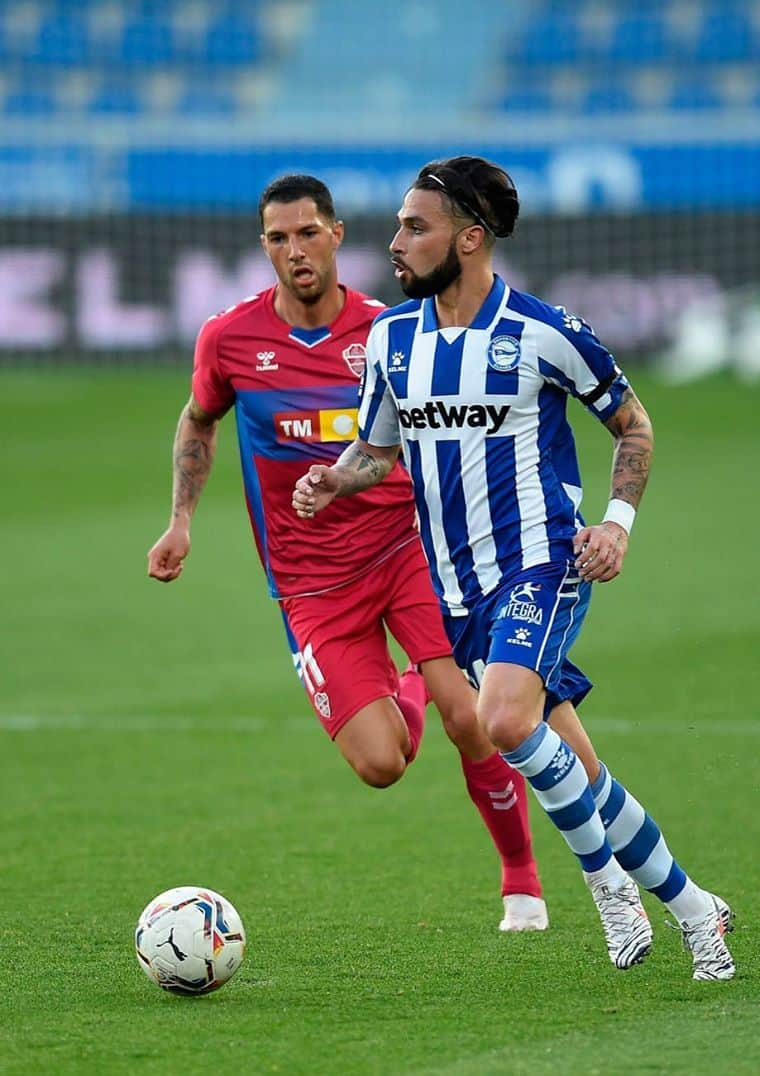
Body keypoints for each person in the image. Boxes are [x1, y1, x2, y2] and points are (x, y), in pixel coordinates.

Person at [292, 157, 735, 981]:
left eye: (414, 228)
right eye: (397, 224)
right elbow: (378, 449)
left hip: (544, 563)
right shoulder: (391, 340)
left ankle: (605, 885)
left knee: (500, 721)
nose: (395, 243)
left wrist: (618, 524)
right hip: (457, 588)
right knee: (584, 775)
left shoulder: (543, 331)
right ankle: (694, 906)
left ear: (468, 238)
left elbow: (633, 427)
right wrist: (334, 477)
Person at [147, 174, 547, 933]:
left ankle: (521, 880)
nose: (294, 250)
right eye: (277, 238)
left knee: (474, 717)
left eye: (307, 233)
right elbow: (198, 421)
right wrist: (180, 522)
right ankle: (413, 682)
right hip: (309, 586)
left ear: (335, 235)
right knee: (380, 765)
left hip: (406, 552)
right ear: (263, 247)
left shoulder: (391, 332)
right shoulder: (229, 339)